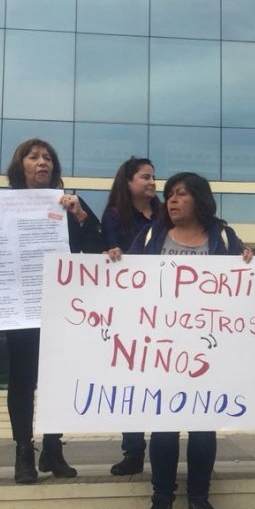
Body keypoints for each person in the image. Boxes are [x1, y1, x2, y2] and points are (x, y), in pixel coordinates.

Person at [0, 139, 105, 484]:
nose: (42, 162)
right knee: (22, 378)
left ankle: (53, 447)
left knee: (56, 378)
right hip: (20, 309)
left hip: (60, 306)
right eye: (33, 157)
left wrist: (80, 215)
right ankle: (24, 451)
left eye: (47, 157)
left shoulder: (69, 202)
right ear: (20, 166)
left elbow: (98, 248)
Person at [121, 172, 254, 509]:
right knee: (163, 426)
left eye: (181, 194)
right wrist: (116, 258)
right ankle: (160, 501)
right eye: (169, 195)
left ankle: (199, 500)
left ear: (200, 199)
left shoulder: (223, 237)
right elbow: (126, 279)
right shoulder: (151, 236)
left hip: (208, 349)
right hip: (160, 347)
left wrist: (249, 262)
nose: (173, 201)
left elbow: (242, 283)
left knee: (203, 425)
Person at [101, 157, 162, 477]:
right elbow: (108, 252)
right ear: (128, 182)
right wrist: (110, 253)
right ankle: (133, 451)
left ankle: (163, 449)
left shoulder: (165, 214)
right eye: (145, 177)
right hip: (130, 310)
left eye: (153, 177)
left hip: (167, 309)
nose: (152, 182)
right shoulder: (114, 216)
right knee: (132, 379)